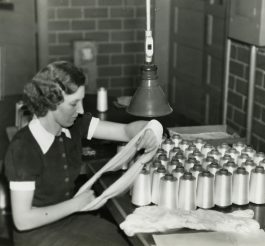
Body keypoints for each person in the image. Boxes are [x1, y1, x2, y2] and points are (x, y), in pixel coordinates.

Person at [4, 61, 160, 246]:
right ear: (51, 102)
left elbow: (126, 131)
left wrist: (150, 130)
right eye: (74, 103)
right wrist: (76, 204)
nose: (81, 110)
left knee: (124, 239)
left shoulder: (74, 124)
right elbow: (23, 221)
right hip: (36, 234)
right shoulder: (24, 147)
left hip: (68, 220)